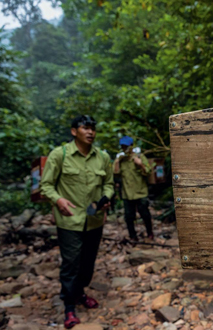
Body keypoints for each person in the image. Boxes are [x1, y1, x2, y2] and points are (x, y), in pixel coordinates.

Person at [40, 115, 114, 329]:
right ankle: (69, 307)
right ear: (74, 131)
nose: (90, 132)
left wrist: (105, 199)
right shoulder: (59, 155)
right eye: (85, 128)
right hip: (69, 221)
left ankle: (80, 292)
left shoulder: (102, 157)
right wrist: (58, 199)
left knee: (88, 263)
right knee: (71, 263)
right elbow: (46, 186)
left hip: (94, 218)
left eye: (93, 128)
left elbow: (108, 184)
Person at [113, 136, 154, 241]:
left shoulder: (140, 157)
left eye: (126, 146)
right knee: (129, 217)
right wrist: (117, 162)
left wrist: (140, 164)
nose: (124, 148)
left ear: (131, 146)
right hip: (127, 193)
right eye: (122, 146)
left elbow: (148, 172)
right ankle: (133, 236)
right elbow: (115, 174)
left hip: (141, 192)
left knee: (145, 214)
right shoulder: (121, 160)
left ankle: (150, 233)